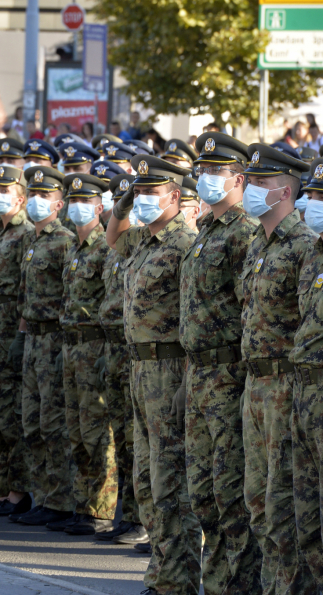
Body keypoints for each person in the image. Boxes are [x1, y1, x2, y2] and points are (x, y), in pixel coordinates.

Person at [107, 155, 201, 595]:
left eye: (150, 193)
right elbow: (114, 239)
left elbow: (191, 317)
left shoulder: (185, 243)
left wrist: (186, 379)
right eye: (139, 191)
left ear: (176, 198)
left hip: (169, 368)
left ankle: (178, 578)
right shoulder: (144, 239)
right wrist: (124, 202)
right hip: (141, 368)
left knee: (169, 479)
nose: (143, 200)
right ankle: (161, 574)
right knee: (147, 477)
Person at [180, 133, 262, 593]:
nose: (207, 179)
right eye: (203, 171)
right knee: (204, 493)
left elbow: (251, 308)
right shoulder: (206, 229)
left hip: (229, 376)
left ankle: (240, 585)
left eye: (216, 172)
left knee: (232, 494)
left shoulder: (243, 233)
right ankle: (215, 582)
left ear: (238, 179)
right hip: (199, 376)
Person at [238, 144, 317, 594]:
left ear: (285, 190)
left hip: (288, 384)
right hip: (255, 384)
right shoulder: (258, 244)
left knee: (283, 502)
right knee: (258, 502)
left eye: (260, 182)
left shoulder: (303, 246)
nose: (250, 188)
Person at [11, 165, 77, 529]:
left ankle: (61, 499)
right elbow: (25, 295)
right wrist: (21, 334)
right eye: (32, 195)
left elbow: (72, 294)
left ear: (59, 203)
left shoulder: (64, 240)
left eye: (45, 197)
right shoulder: (33, 242)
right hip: (33, 337)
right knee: (31, 422)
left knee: (53, 423)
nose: (37, 202)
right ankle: (44, 494)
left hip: (54, 338)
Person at [58, 172, 116, 536]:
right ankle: (82, 504)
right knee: (76, 428)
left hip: (94, 342)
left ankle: (100, 509)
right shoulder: (75, 249)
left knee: (97, 428)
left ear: (99, 207)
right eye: (72, 201)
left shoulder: (105, 246)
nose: (77, 208)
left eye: (85, 202)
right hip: (71, 344)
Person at [0, 165, 34, 521]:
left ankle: (18, 491)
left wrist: (20, 336)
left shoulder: (25, 234)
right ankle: (3, 488)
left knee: (13, 418)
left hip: (12, 336)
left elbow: (27, 292)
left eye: (6, 189)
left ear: (21, 197)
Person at [94, 173, 144, 545]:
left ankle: (142, 520)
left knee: (137, 441)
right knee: (124, 438)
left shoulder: (169, 242)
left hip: (146, 357)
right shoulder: (133, 241)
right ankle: (129, 515)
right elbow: (113, 236)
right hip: (116, 349)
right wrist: (122, 206)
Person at [292, 157, 323, 586]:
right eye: (312, 195)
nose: (312, 204)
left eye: (320, 197)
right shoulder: (313, 252)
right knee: (306, 512)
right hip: (304, 391)